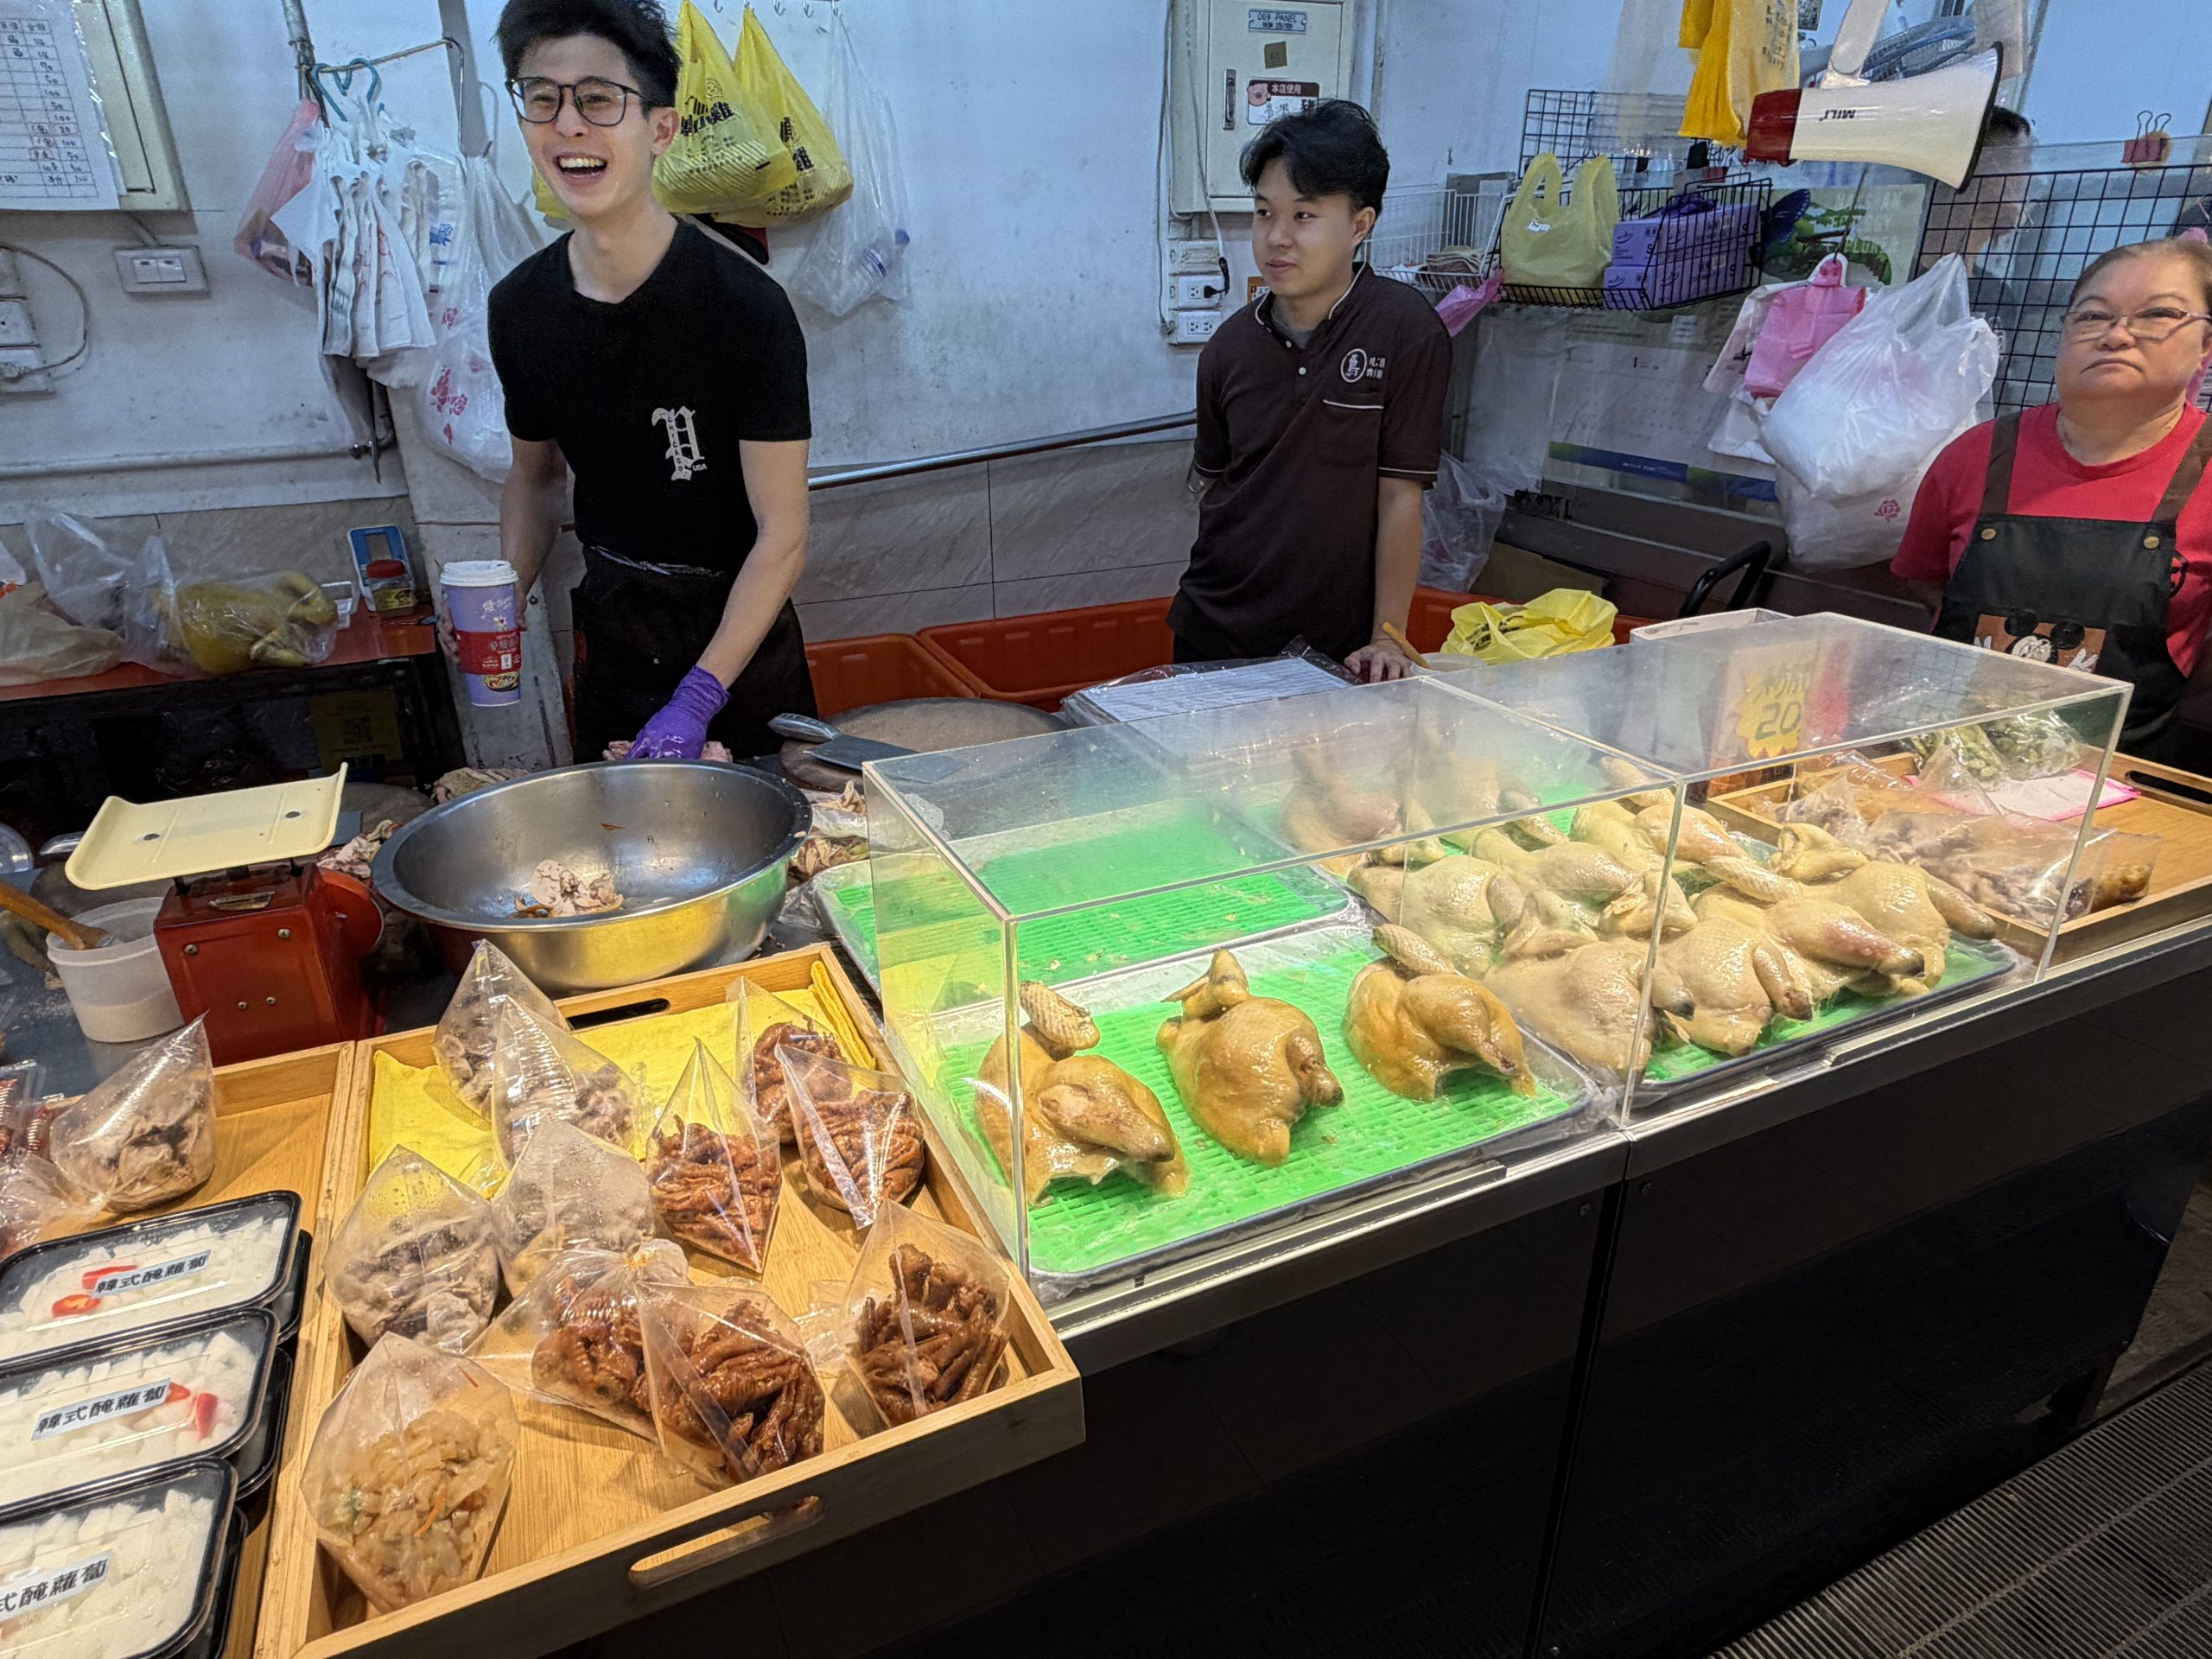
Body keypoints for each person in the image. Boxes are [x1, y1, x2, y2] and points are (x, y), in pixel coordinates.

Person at [484, 0, 815, 761]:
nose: (568, 125)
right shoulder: (520, 309)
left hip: (739, 640)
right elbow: (534, 480)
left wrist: (699, 696)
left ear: (660, 130)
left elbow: (784, 534)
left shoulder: (744, 308)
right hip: (618, 631)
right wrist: (505, 593)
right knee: (614, 865)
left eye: (599, 99)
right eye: (543, 99)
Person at [1892, 238, 2212, 760]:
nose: (2116, 335)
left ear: (2205, 344)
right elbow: (1921, 577)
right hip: (1944, 763)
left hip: (2117, 782)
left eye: (2158, 314)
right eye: (2092, 316)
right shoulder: (1977, 453)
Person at [1173, 100, 1452, 683]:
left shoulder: (1405, 330)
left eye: (1304, 216)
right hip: (1216, 629)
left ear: (1360, 224)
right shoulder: (1228, 348)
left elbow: (1402, 496)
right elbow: (1218, 486)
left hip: (1339, 644)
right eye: (1263, 212)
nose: (1277, 238)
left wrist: (1387, 637)